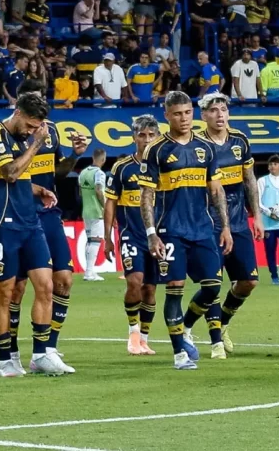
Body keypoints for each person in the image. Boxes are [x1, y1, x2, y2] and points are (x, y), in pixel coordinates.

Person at [138, 91, 233, 370]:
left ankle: (186, 327)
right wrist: (151, 233)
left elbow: (216, 190)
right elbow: (146, 195)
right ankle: (180, 353)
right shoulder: (156, 150)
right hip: (171, 231)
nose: (184, 118)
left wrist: (225, 227)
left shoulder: (206, 148)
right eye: (177, 114)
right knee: (175, 288)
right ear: (167, 116)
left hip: (203, 229)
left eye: (188, 112)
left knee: (212, 287)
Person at [0, 93, 72, 376]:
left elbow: (20, 178)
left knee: (46, 286)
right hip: (2, 224)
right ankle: (6, 359)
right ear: (18, 112)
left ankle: (42, 354)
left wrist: (38, 189)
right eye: (31, 125)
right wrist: (36, 144)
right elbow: (9, 173)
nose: (33, 131)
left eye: (36, 128)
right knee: (5, 293)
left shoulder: (23, 138)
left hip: (30, 223)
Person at [9, 80, 87, 374]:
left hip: (49, 213)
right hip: (18, 214)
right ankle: (11, 351)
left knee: (63, 280)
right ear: (18, 104)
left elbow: (58, 172)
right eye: (32, 100)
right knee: (16, 288)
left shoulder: (51, 130)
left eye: (41, 99)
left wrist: (75, 154)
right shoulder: (8, 134)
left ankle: (47, 349)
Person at [196, 93, 264, 358]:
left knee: (249, 281)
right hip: (207, 222)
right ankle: (215, 341)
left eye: (223, 109)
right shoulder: (197, 144)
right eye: (214, 110)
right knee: (213, 281)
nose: (220, 114)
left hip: (238, 221)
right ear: (204, 115)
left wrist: (257, 216)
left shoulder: (240, 140)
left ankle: (222, 321)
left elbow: (249, 179)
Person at [103, 115, 159, 356]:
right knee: (135, 281)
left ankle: (144, 339)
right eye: (142, 135)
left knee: (150, 290)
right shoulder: (122, 167)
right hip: (131, 235)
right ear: (134, 137)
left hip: (158, 237)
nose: (146, 140)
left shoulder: (164, 165)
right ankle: (133, 333)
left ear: (157, 137)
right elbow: (110, 203)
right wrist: (107, 237)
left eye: (151, 135)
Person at [258, 155, 279, 286]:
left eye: (276, 164)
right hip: (268, 222)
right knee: (270, 250)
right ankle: (274, 276)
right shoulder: (262, 181)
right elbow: (257, 201)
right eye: (271, 164)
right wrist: (269, 212)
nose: (273, 166)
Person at [79, 148, 107, 281]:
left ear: (92, 157)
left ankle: (89, 271)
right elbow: (98, 190)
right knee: (95, 241)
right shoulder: (99, 173)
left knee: (90, 240)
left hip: (86, 210)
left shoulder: (83, 172)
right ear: (103, 159)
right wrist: (105, 207)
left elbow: (80, 192)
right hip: (97, 211)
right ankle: (89, 273)